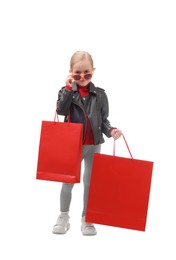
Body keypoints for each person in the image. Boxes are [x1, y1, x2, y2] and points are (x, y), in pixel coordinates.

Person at [53, 51, 122, 236]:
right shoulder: (65, 91)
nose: (82, 77)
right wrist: (68, 89)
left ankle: (87, 218)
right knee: (67, 181)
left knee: (90, 182)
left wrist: (111, 130)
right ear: (70, 73)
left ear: (93, 71)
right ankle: (64, 216)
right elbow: (61, 110)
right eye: (77, 74)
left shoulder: (100, 95)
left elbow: (104, 120)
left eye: (87, 73)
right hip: (71, 145)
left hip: (93, 145)